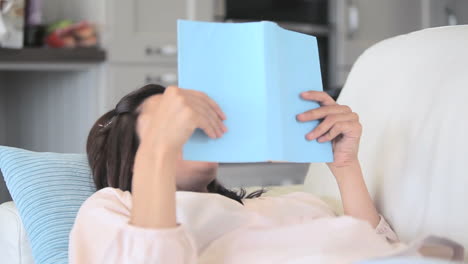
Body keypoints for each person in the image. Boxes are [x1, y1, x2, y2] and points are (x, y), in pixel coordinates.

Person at [69, 84, 401, 264]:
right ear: (132, 157)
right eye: (174, 122)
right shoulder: (113, 208)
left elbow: (384, 248)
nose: (194, 127)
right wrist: (158, 152)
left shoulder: (285, 204)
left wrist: (345, 168)